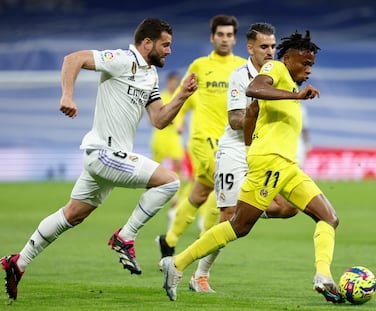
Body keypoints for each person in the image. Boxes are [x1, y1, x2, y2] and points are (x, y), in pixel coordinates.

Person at [1, 17, 198, 301]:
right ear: (147, 43)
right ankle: (125, 237)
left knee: (72, 215)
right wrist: (67, 95)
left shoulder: (150, 76)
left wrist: (182, 96)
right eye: (165, 45)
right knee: (169, 182)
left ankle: (17, 264)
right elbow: (74, 58)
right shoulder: (122, 59)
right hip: (104, 153)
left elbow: (159, 119)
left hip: (107, 159)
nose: (169, 50)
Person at [160, 30, 345, 304]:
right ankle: (176, 264)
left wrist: (248, 149)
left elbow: (252, 113)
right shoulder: (276, 69)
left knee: (329, 217)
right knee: (238, 225)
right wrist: (294, 98)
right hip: (270, 162)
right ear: (289, 57)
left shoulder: (290, 85)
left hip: (286, 166)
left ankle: (323, 276)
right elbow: (253, 89)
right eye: (304, 63)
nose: (308, 70)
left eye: (312, 65)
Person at [188, 22, 298, 293]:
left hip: (263, 152)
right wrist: (260, 108)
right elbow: (236, 120)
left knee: (288, 207)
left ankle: (244, 211)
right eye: (264, 46)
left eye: (273, 46)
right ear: (250, 48)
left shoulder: (281, 75)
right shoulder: (241, 76)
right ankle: (198, 276)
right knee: (227, 217)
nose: (270, 51)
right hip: (235, 152)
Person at [156, 15, 246, 259]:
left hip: (230, 141)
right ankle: (204, 242)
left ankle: (169, 240)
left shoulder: (243, 67)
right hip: (203, 139)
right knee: (223, 190)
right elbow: (182, 96)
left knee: (200, 192)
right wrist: (175, 121)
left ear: (234, 38)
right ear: (212, 37)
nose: (225, 39)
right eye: (220, 35)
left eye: (229, 35)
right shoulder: (199, 66)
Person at [150, 71, 188, 228]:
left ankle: (176, 196)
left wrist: (181, 126)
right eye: (172, 81)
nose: (174, 84)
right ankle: (152, 194)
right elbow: (155, 115)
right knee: (154, 168)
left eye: (176, 81)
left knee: (178, 165)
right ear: (167, 82)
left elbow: (182, 117)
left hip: (173, 138)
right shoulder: (161, 96)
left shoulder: (179, 97)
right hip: (160, 136)